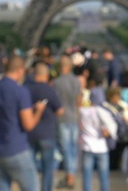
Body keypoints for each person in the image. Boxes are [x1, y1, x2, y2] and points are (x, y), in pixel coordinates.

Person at [0, 55, 47, 191]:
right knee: (32, 187)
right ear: (20, 70)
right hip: (16, 149)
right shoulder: (21, 92)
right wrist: (38, 112)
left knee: (2, 187)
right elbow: (28, 125)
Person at [26, 63, 64, 191]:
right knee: (48, 167)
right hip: (47, 134)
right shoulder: (49, 90)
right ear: (46, 76)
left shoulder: (26, 89)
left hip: (30, 133)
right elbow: (60, 111)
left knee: (30, 167)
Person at [53, 55, 81, 189]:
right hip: (73, 117)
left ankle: (69, 175)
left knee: (65, 149)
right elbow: (79, 99)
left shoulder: (57, 82)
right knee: (73, 148)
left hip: (62, 118)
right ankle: (72, 174)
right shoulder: (76, 81)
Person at [80, 98, 117, 191]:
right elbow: (109, 130)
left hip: (87, 147)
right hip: (101, 148)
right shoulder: (101, 112)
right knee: (104, 178)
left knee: (87, 178)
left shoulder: (82, 111)